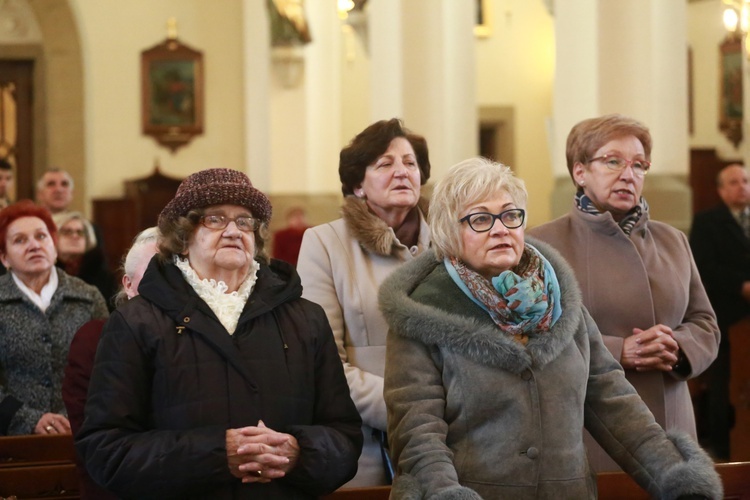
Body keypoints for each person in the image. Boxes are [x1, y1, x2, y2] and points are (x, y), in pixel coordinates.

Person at [379, 158, 722, 499]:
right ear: (449, 231)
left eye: (511, 215)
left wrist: (679, 480)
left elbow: (614, 403)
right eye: (481, 219)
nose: (501, 229)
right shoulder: (422, 315)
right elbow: (418, 436)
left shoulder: (559, 300)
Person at [76, 168, 362, 498]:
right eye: (215, 219)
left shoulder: (306, 319)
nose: (233, 231)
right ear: (183, 237)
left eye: (244, 222)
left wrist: (300, 453)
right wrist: (215, 453)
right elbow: (105, 450)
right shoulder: (136, 322)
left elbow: (345, 437)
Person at [528, 114, 720, 471]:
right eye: (612, 161)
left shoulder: (673, 240)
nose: (627, 174)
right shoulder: (542, 244)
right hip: (593, 428)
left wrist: (678, 348)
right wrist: (619, 351)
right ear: (580, 172)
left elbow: (705, 322)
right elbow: (534, 336)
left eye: (638, 165)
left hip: (671, 422)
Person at [297, 118, 432, 486]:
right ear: (358, 184)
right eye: (385, 164)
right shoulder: (324, 244)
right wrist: (413, 412)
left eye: (410, 163)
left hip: (455, 440)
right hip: (368, 445)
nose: (402, 172)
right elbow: (322, 363)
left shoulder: (451, 245)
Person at [0, 200, 108, 436]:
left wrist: (78, 417)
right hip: (11, 439)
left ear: (54, 245)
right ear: (4, 258)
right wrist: (28, 419)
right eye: (20, 240)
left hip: (83, 433)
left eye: (41, 236)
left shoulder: (88, 297)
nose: (34, 246)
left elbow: (108, 367)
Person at [690, 163, 750, 460]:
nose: (742, 187)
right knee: (722, 385)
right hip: (726, 316)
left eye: (746, 181)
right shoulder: (707, 222)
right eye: (735, 182)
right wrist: (741, 285)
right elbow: (704, 268)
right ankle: (724, 452)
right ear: (721, 189)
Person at [52, 211, 117, 309]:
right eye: (67, 232)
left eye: (80, 232)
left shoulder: (103, 276)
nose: (75, 236)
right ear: (52, 237)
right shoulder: (44, 272)